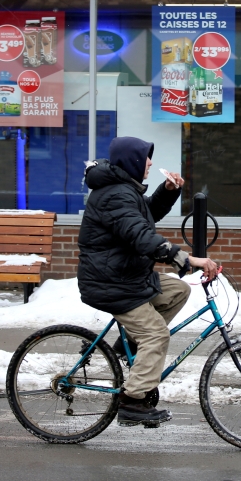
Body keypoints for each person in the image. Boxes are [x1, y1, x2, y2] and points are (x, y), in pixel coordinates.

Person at [77, 136, 219, 427]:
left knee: (177, 289)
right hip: (111, 283)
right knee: (156, 335)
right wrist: (187, 259)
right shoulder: (115, 194)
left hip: (126, 277)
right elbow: (141, 236)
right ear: (132, 161)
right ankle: (133, 402)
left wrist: (167, 192)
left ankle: (126, 346)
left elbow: (144, 217)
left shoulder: (122, 189)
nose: (151, 163)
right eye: (146, 158)